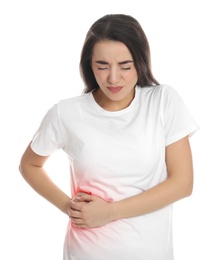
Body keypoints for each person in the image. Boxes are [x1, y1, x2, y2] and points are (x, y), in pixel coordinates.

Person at [19, 14, 199, 260]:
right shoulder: (67, 112)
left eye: (125, 66)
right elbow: (29, 164)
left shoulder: (163, 101)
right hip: (86, 251)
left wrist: (111, 212)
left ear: (141, 62)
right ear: (89, 65)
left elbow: (182, 184)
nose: (113, 78)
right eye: (102, 66)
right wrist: (68, 207)